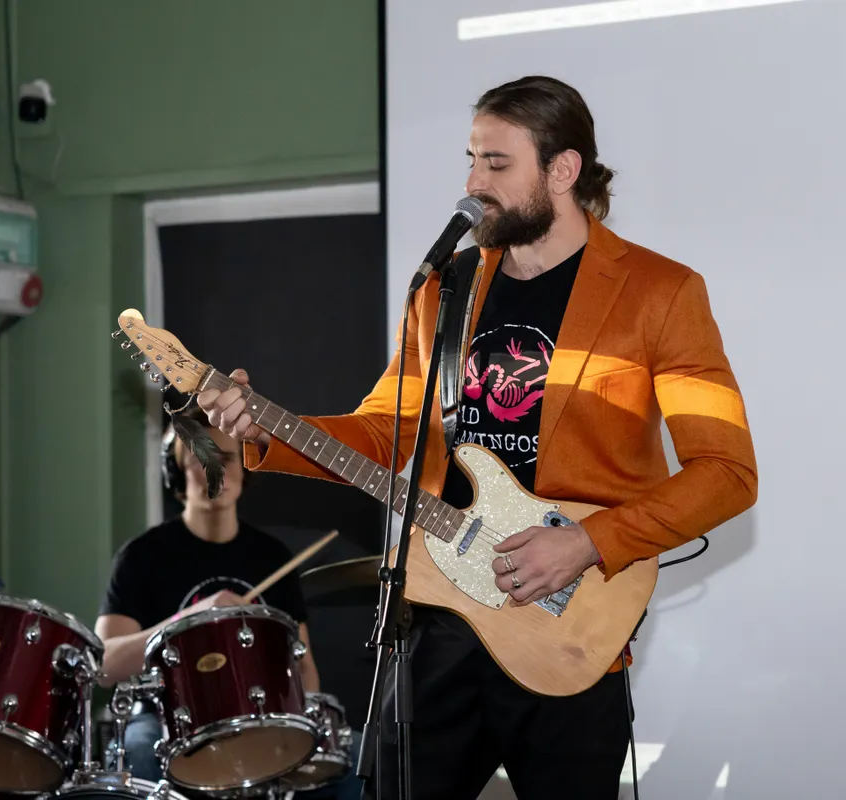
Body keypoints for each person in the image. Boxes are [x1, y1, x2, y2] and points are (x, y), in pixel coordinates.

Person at [196, 75, 759, 800]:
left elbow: (726, 471)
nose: (472, 183)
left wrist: (589, 542)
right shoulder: (447, 290)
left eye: (496, 164)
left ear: (563, 170)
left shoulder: (660, 292)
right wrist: (265, 422)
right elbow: (386, 434)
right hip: (442, 615)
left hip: (569, 623)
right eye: (471, 159)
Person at [95, 408, 361, 798]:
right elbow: (103, 665)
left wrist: (301, 723)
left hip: (259, 718)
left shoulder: (273, 558)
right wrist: (193, 616)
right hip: (168, 722)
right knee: (136, 749)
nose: (213, 470)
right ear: (177, 470)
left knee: (355, 758)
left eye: (225, 459)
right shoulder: (141, 557)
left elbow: (304, 669)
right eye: (199, 459)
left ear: (244, 469)